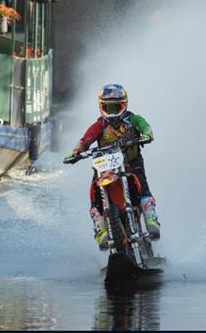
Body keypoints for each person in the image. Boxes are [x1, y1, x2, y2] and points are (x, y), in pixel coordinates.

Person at [66, 84, 160, 250]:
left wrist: (147, 133)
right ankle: (100, 229)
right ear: (101, 107)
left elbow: (145, 126)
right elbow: (85, 140)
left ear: (124, 105)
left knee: (143, 187)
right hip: (105, 166)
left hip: (131, 162)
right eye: (107, 107)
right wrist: (76, 152)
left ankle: (151, 219)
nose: (111, 112)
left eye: (115, 107)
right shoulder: (99, 126)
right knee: (94, 192)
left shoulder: (133, 119)